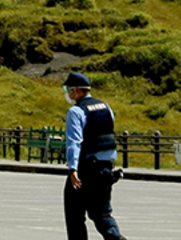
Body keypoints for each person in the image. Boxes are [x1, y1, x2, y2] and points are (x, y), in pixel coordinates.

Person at [62, 72, 127, 240]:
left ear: (77, 91)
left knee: (74, 215)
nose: (68, 94)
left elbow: (74, 142)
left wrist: (73, 169)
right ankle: (116, 237)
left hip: (86, 169)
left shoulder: (76, 111)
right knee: (102, 214)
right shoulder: (106, 107)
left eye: (69, 90)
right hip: (105, 169)